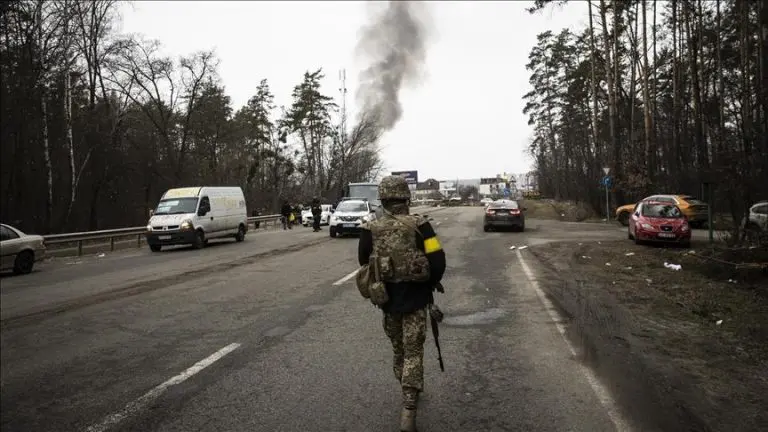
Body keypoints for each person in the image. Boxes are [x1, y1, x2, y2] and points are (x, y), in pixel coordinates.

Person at [357, 176, 446, 432]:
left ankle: (407, 390)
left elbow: (364, 261)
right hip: (416, 299)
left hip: (387, 301)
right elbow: (437, 259)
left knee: (399, 351)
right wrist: (431, 282)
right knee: (414, 352)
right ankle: (409, 407)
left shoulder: (369, 228)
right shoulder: (421, 226)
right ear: (406, 198)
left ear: (382, 200)